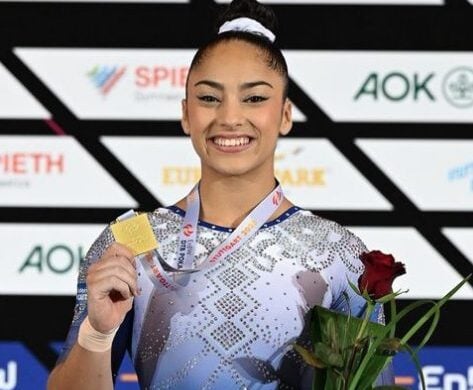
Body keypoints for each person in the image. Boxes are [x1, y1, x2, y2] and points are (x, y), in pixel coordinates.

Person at [47, 0, 393, 388]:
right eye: (209, 98)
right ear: (185, 113)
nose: (229, 118)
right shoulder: (131, 242)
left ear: (285, 114)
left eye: (255, 98)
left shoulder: (338, 252)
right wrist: (98, 332)